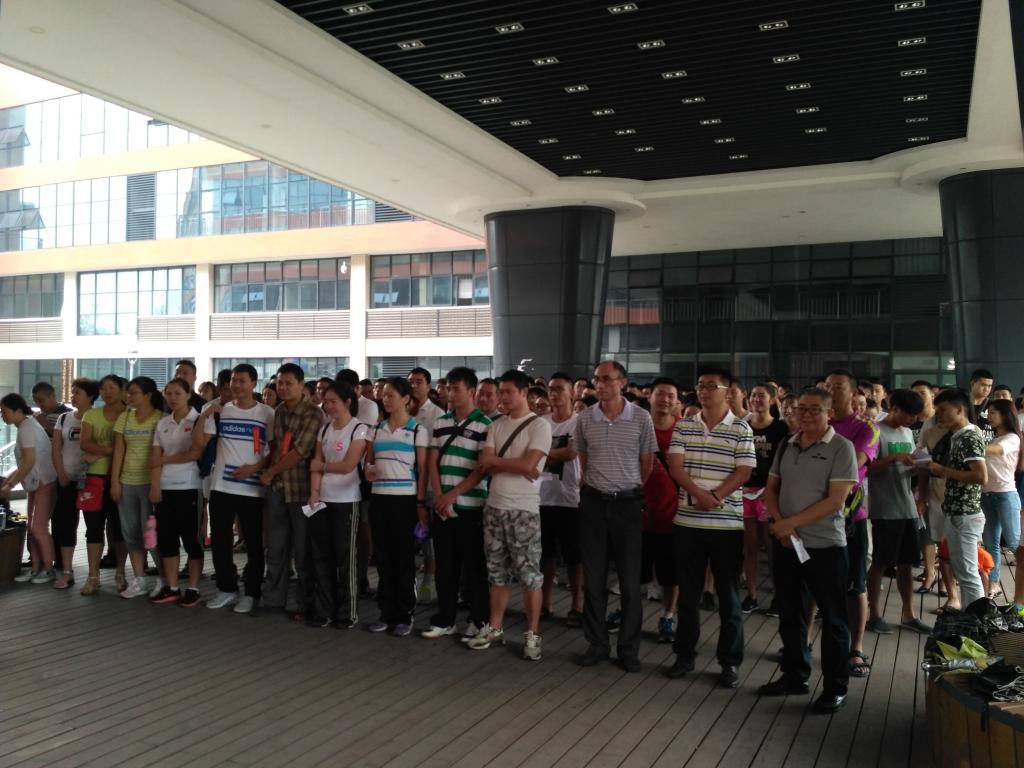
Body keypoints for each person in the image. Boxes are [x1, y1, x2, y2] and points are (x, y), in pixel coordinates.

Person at [759, 387, 858, 715]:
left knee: (833, 620)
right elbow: (771, 489)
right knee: (790, 613)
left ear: (829, 413)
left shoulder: (841, 447)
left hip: (825, 546)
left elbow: (835, 501)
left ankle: (835, 688)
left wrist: (790, 524)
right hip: (786, 544)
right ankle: (794, 675)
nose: (805, 415)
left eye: (814, 409)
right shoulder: (787, 444)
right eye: (801, 408)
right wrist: (780, 523)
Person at [664, 366, 755, 688]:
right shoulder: (684, 425)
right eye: (700, 385)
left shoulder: (741, 429)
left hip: (726, 525)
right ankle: (684, 655)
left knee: (728, 598)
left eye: (711, 386)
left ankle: (729, 662)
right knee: (688, 595)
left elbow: (744, 472)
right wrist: (700, 494)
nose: (703, 390)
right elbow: (675, 467)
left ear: (728, 391)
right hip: (688, 523)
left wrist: (715, 496)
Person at [573, 360, 656, 673]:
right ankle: (597, 644)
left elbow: (647, 464)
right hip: (594, 503)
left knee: (630, 581)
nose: (601, 384)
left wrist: (627, 488)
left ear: (622, 382)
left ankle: (628, 648)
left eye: (607, 379)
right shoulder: (585, 418)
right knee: (593, 579)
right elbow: (583, 459)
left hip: (627, 505)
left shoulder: (641, 417)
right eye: (597, 379)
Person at [468, 369, 551, 660]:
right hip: (494, 507)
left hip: (523, 510)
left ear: (524, 392)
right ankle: (495, 627)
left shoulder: (539, 426)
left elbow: (530, 465)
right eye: (500, 392)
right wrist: (514, 464)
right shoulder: (496, 425)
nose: (502, 397)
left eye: (508, 392)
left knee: (529, 575)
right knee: (496, 573)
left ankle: (533, 632)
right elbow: (485, 463)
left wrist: (498, 461)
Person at [197, 363, 275, 612]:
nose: (237, 385)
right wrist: (205, 415)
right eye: (233, 380)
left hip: (252, 488)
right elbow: (200, 442)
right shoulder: (220, 410)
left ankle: (252, 593)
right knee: (220, 541)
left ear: (253, 383)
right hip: (221, 486)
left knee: (253, 543)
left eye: (242, 381)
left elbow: (273, 450)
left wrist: (255, 468)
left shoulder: (267, 413)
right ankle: (226, 589)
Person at [421, 367, 492, 640]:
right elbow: (432, 462)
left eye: (456, 389)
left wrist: (452, 495)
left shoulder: (485, 424)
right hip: (442, 507)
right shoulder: (441, 422)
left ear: (471, 391)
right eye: (448, 388)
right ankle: (445, 619)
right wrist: (440, 496)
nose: (450, 393)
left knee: (474, 567)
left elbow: (482, 470)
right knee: (445, 566)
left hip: (470, 507)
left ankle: (478, 620)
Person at [824, 369, 879, 679]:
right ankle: (806, 641)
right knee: (814, 582)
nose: (831, 390)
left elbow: (853, 464)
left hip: (850, 518)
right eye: (827, 386)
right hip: (815, 516)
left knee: (855, 584)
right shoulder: (818, 423)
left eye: (838, 386)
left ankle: (856, 647)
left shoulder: (866, 428)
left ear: (854, 392)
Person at [261, 363, 325, 620]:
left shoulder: (313, 413)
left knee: (303, 550)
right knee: (275, 548)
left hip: (302, 490)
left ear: (301, 384)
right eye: (280, 383)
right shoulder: (279, 411)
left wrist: (270, 472)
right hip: (279, 489)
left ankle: (305, 603)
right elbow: (277, 448)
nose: (284, 388)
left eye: (289, 383)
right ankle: (273, 600)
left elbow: (300, 451)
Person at [364, 377, 428, 635]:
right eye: (384, 395)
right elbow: (368, 463)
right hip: (379, 498)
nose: (386, 399)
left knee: (403, 558)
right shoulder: (376, 429)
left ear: (406, 398)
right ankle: (386, 613)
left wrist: (420, 502)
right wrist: (368, 471)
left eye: (391, 395)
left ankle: (404, 615)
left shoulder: (417, 430)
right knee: (382, 557)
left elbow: (422, 470)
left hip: (405, 500)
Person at [864, 389, 931, 634]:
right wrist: (893, 458)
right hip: (884, 508)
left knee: (907, 563)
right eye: (909, 414)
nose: (913, 420)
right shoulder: (875, 431)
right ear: (894, 409)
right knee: (880, 563)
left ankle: (909, 614)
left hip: (907, 506)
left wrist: (915, 466)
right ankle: (873, 614)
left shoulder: (907, 432)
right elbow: (866, 468)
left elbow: (906, 465)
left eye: (916, 416)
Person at [308, 381, 369, 628]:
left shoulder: (359, 429)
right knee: (321, 556)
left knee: (346, 558)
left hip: (347, 500)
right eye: (326, 402)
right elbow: (315, 464)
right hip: (322, 500)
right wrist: (314, 493)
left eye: (334, 401)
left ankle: (348, 612)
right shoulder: (324, 429)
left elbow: (348, 466)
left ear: (348, 402)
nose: (329, 406)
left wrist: (320, 467)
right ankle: (324, 610)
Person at [930, 388, 989, 609]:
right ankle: (970, 616)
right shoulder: (961, 435)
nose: (939, 415)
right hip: (959, 513)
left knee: (967, 573)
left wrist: (943, 470)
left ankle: (975, 621)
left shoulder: (968, 437)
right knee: (965, 572)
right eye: (937, 411)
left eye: (943, 410)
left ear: (959, 409)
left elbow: (981, 476)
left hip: (965, 514)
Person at [147, 378, 204, 606]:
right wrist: (155, 486)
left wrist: (165, 459)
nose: (172, 398)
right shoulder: (162, 423)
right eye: (168, 393)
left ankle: (193, 587)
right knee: (167, 539)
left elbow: (195, 453)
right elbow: (154, 458)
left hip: (190, 486)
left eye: (177, 393)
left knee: (191, 540)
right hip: (165, 488)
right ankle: (172, 587)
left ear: (189, 394)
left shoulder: (199, 419)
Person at [110, 377, 164, 599]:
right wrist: (115, 482)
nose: (129, 396)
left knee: (150, 534)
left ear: (148, 395)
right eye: (128, 392)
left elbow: (162, 454)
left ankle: (163, 578)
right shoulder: (125, 417)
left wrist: (156, 484)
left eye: (134, 393)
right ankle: (139, 579)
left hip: (150, 484)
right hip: (127, 483)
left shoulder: (161, 419)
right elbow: (119, 451)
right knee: (130, 534)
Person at [538, 372, 583, 627]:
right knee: (545, 555)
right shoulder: (540, 422)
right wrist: (552, 453)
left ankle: (577, 605)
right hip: (542, 498)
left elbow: (572, 452)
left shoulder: (579, 422)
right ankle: (545, 604)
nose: (554, 394)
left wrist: (543, 453)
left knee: (574, 557)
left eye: (560, 389)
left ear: (572, 393)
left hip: (571, 498)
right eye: (551, 389)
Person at [640, 377, 682, 642]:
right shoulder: (637, 427)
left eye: (670, 395)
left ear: (677, 401)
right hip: (639, 514)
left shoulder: (683, 431)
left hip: (672, 515)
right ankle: (629, 613)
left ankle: (668, 616)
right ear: (650, 396)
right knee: (635, 572)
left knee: (670, 575)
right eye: (660, 394)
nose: (665, 399)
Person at [742, 382, 790, 614]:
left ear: (771, 400)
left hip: (769, 493)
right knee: (749, 546)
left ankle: (778, 596)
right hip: (744, 491)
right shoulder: (742, 426)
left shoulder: (780, 428)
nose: (756, 399)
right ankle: (751, 594)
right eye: (753, 395)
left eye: (761, 396)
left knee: (771, 547)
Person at [80, 374, 128, 593]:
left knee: (120, 529)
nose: (106, 392)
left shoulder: (130, 415)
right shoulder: (91, 414)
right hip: (94, 478)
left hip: (123, 478)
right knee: (94, 528)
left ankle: (121, 572)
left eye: (111, 387)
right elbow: (85, 443)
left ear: (121, 390)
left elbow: (133, 446)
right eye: (103, 388)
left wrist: (98, 452)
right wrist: (112, 450)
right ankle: (93, 576)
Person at [3, 393, 58, 584]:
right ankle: (35, 568)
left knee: (38, 528)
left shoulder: (27, 428)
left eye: (4, 411)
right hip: (36, 482)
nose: (2, 415)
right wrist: (8, 482)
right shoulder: (26, 426)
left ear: (17, 410)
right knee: (32, 527)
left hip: (44, 482)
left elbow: (28, 462)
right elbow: (24, 464)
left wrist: (9, 485)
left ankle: (48, 569)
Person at [51, 379, 99, 590]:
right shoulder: (64, 418)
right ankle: (67, 571)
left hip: (92, 480)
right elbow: (56, 448)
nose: (73, 396)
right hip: (66, 479)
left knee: (93, 526)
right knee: (65, 523)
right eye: (72, 392)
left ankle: (93, 574)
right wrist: (61, 474)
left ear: (90, 396)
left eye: (78, 392)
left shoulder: (97, 417)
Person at [980, 398, 1021, 597]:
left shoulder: (1012, 438)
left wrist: (971, 444)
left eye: (993, 412)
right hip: (987, 495)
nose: (989, 416)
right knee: (990, 543)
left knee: (1014, 542)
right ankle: (994, 583)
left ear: (1005, 415)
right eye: (988, 412)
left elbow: (997, 451)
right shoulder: (995, 438)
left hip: (1005, 495)